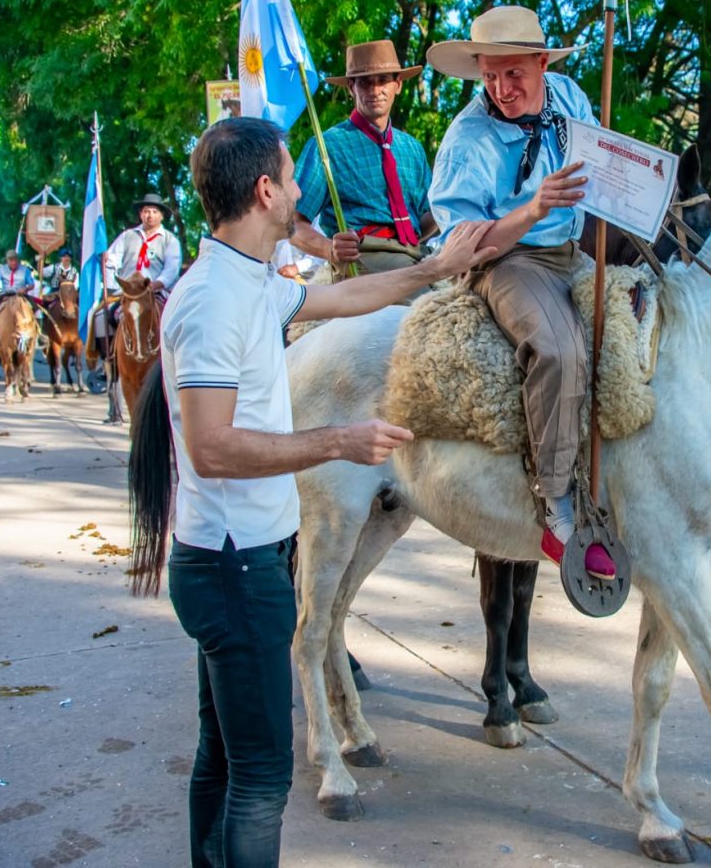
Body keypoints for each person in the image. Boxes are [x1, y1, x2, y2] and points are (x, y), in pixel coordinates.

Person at [159, 117, 496, 867]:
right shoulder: (214, 301)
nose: (303, 189)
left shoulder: (247, 278)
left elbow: (345, 300)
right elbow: (211, 447)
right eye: (291, 173)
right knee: (260, 776)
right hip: (233, 565)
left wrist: (434, 269)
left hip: (243, 557)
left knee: (221, 755)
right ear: (265, 189)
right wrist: (339, 441)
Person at [426, 4, 614, 579]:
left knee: (640, 331)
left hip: (573, 252)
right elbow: (464, 245)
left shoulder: (568, 95)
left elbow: (601, 158)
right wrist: (534, 208)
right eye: (488, 75)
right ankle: (556, 504)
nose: (501, 89)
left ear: (540, 62)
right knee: (559, 348)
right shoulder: (467, 140)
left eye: (513, 74)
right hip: (505, 259)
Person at [289, 39, 433, 282]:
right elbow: (293, 223)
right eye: (365, 82)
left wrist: (452, 205)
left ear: (397, 84)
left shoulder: (413, 149)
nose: (375, 90)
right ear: (351, 88)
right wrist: (329, 249)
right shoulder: (327, 147)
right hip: (364, 257)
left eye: (383, 80)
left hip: (416, 255)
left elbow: (426, 218)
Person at [0, 250, 40, 318]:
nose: (14, 262)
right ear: (7, 260)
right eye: (11, 260)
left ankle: (38, 326)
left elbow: (32, 285)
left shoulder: (25, 270)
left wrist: (25, 288)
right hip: (5, 296)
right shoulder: (1, 269)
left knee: (37, 310)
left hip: (21, 295)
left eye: (15, 260)